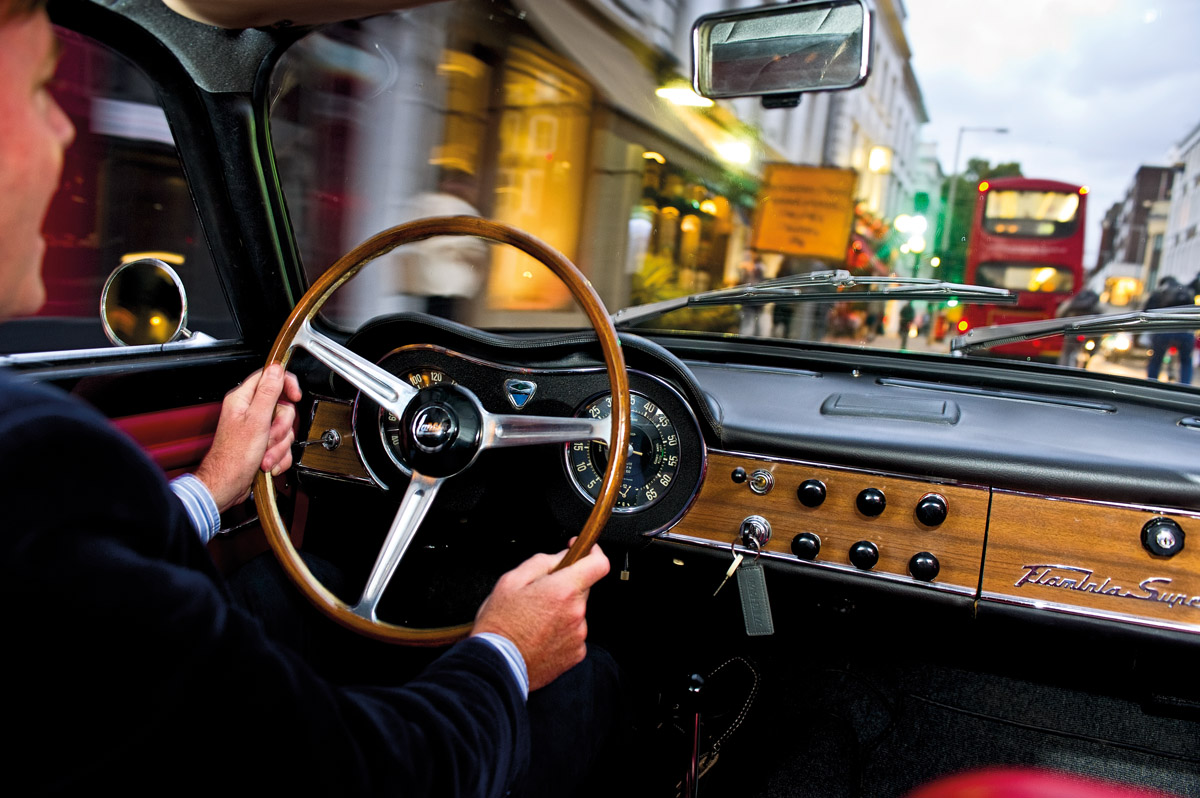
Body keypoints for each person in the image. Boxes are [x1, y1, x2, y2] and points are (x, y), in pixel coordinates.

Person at [1, 2, 614, 794]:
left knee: (279, 587)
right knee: (585, 687)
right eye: (43, 90)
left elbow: (82, 594)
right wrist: (503, 655)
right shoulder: (36, 461)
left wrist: (213, 488)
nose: (64, 133)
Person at [1143, 276, 1195, 384]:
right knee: (1186, 361)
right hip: (1185, 333)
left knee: (1156, 360)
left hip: (1163, 331)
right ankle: (1185, 386)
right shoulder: (1186, 291)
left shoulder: (1159, 293)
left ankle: (1151, 384)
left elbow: (1146, 312)